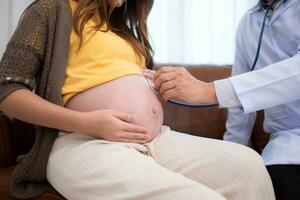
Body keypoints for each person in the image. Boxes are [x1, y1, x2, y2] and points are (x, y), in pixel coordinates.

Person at [0, 0, 275, 199]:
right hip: (85, 142)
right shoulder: (51, 10)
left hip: (158, 140)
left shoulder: (124, 32)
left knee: (249, 166)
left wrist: (156, 85)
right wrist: (87, 122)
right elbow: (7, 91)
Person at [147, 0, 300, 199]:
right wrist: (229, 157)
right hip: (285, 149)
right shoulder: (248, 24)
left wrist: (207, 90)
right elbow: (239, 111)